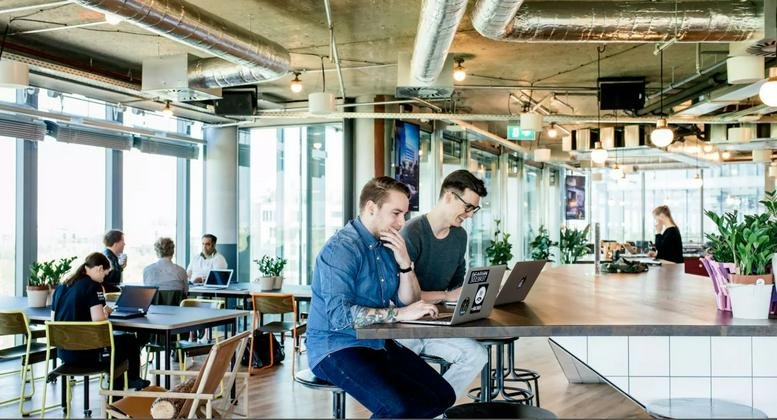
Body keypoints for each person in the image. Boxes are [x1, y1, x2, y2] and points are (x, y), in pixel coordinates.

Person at [307, 176, 455, 418]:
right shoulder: (341, 250)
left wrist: (405, 263)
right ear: (371, 208)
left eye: (405, 214)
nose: (402, 222)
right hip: (335, 346)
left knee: (442, 396)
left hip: (376, 342)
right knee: (396, 408)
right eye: (396, 213)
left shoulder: (388, 245)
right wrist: (399, 314)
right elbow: (339, 317)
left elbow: (408, 301)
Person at [398, 169, 489, 398]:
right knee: (405, 367)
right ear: (449, 196)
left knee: (478, 355)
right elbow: (403, 296)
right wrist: (447, 296)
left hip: (436, 323)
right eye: (468, 207)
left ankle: (431, 407)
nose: (469, 215)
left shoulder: (460, 236)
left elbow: (456, 287)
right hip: (404, 325)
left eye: (474, 209)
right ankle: (426, 407)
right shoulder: (413, 232)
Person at [51, 252, 149, 390]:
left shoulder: (62, 286)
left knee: (118, 346)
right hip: (87, 354)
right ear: (99, 268)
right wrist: (106, 312)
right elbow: (99, 322)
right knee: (129, 341)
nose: (104, 278)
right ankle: (131, 381)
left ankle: (120, 388)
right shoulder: (93, 286)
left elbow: (53, 320)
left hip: (64, 352)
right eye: (105, 274)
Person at [143, 237, 188, 305]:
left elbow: (147, 295)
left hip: (153, 313)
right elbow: (185, 292)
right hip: (177, 312)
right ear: (172, 251)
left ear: (157, 252)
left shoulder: (147, 270)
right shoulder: (181, 271)